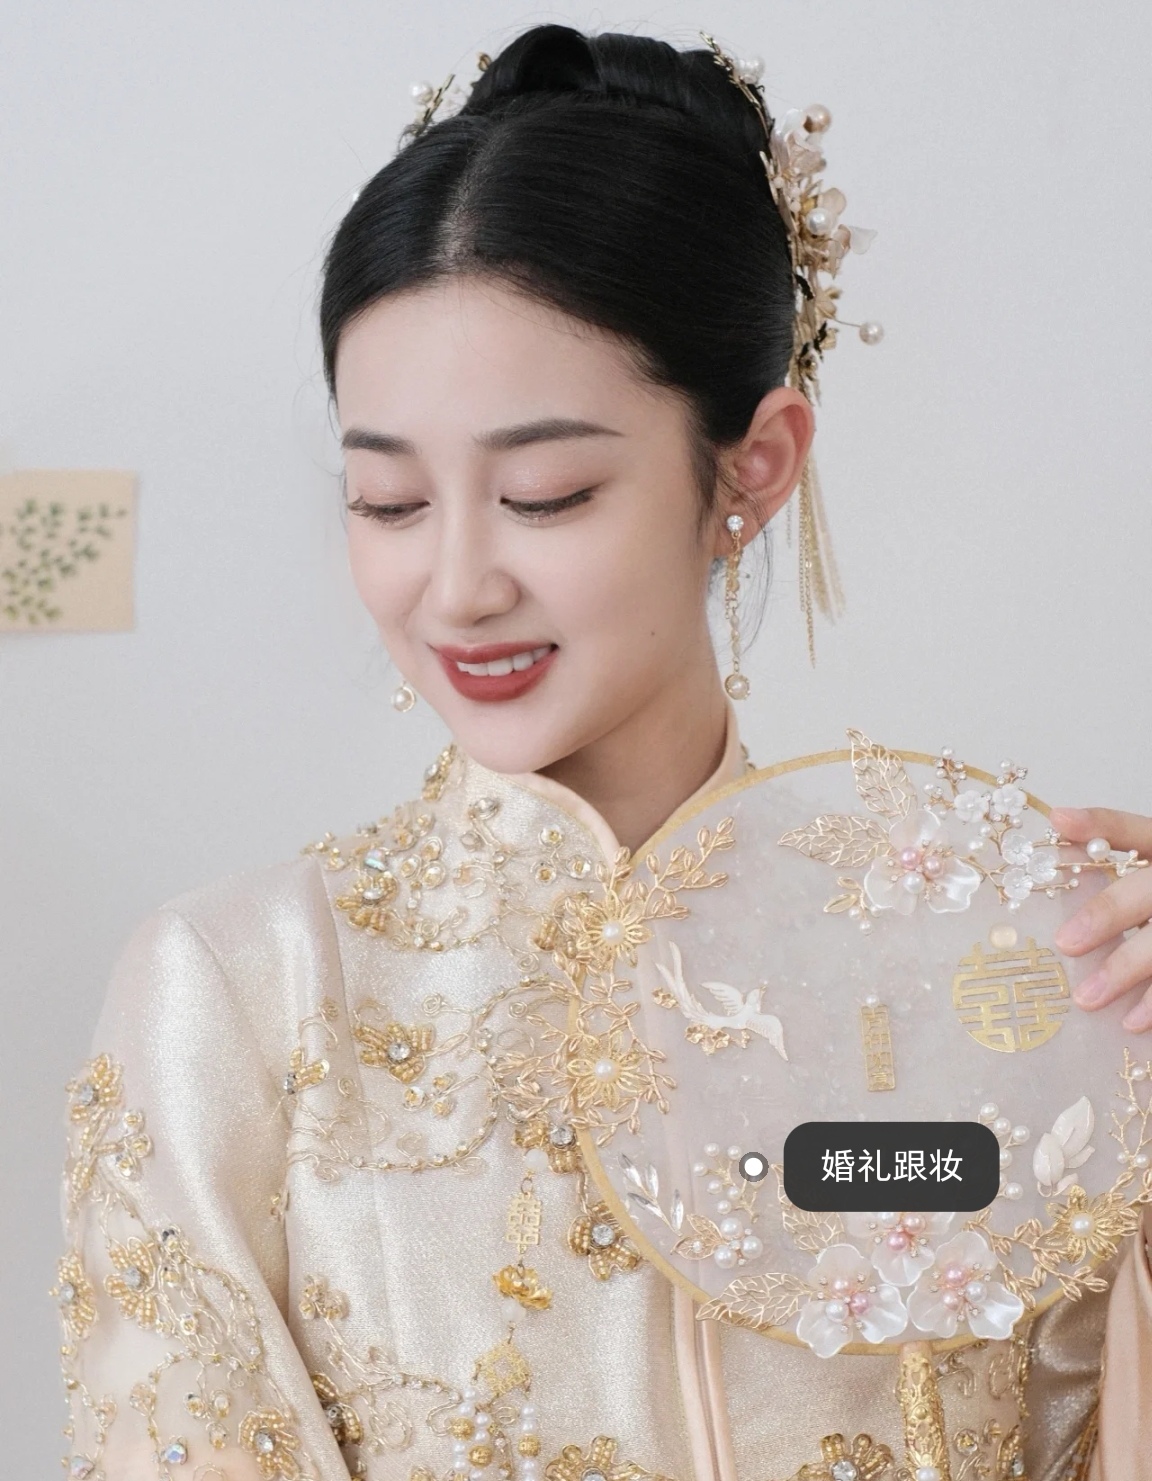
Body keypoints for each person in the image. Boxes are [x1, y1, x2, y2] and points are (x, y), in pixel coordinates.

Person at [52, 24, 1152, 1481]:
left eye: (547, 493)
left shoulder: (997, 963)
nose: (456, 587)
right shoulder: (244, 995)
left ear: (753, 465)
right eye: (387, 503)